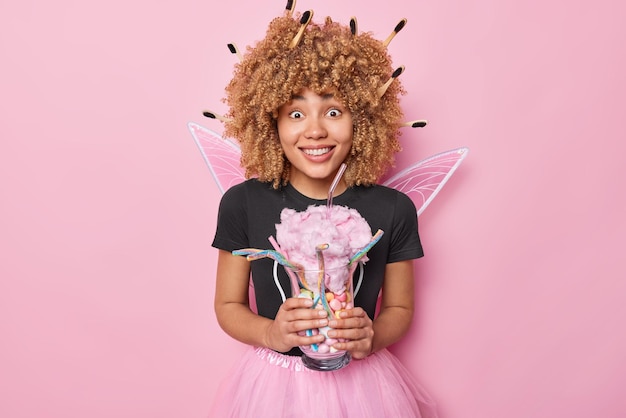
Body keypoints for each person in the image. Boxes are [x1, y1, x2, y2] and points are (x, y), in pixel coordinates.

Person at [208, 5, 438, 417]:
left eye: (334, 111)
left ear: (363, 119)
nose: (315, 129)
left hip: (363, 385)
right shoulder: (243, 203)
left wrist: (372, 334)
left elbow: (401, 310)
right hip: (274, 386)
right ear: (270, 121)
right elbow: (228, 306)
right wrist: (272, 332)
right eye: (295, 113)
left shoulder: (394, 209)